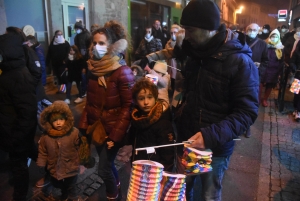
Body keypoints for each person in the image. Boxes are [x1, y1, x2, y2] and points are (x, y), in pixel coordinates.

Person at [141, 0, 259, 200]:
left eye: (191, 30)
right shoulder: (194, 50)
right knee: (180, 192)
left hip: (215, 150)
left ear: (210, 29)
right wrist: (146, 61)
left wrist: (210, 135)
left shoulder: (240, 62)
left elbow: (246, 112)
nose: (186, 36)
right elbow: (173, 56)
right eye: (184, 29)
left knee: (208, 195)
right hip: (186, 140)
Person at [78, 20, 134, 201]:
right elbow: (90, 102)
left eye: (101, 43)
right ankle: (116, 184)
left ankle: (113, 195)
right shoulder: (94, 69)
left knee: (103, 168)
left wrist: (116, 136)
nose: (96, 46)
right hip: (98, 127)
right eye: (94, 42)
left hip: (112, 130)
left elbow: (128, 106)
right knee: (107, 165)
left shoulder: (122, 71)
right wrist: (84, 127)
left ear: (112, 46)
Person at [0, 33, 37, 201]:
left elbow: (27, 112)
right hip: (14, 131)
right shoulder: (10, 72)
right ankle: (55, 169)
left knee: (19, 166)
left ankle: (20, 196)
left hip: (16, 134)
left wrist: (16, 137)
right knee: (32, 152)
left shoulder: (18, 75)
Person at [127, 78, 175, 171]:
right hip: (139, 166)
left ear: (155, 97)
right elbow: (130, 138)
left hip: (155, 171)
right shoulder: (137, 117)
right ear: (136, 101)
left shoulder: (163, 122)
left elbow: (168, 152)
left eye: (150, 97)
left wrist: (164, 174)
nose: (146, 102)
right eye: (141, 98)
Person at [37, 101, 81, 200]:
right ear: (49, 121)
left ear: (66, 119)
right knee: (58, 183)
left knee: (71, 184)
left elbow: (80, 147)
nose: (58, 123)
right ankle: (64, 193)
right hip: (55, 167)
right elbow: (43, 151)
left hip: (71, 167)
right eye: (55, 120)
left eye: (61, 119)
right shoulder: (46, 137)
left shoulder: (73, 133)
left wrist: (83, 160)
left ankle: (73, 196)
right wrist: (41, 163)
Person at [244, 23, 269, 137]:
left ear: (258, 31)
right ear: (246, 30)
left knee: (250, 102)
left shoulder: (262, 44)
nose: (252, 31)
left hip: (254, 77)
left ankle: (247, 125)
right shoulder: (241, 41)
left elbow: (265, 61)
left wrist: (258, 70)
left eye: (254, 30)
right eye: (250, 29)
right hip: (240, 75)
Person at [260, 29, 284, 107]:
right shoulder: (264, 45)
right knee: (260, 84)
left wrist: (280, 72)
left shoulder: (280, 48)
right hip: (263, 68)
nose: (274, 38)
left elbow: (281, 61)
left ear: (279, 38)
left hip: (274, 70)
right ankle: (258, 99)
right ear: (270, 37)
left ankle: (264, 99)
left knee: (270, 85)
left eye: (276, 37)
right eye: (272, 36)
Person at [74, 21, 91, 97]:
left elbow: (88, 48)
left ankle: (84, 91)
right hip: (79, 58)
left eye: (77, 28)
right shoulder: (77, 36)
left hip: (85, 59)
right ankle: (81, 91)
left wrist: (87, 58)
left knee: (84, 76)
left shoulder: (87, 36)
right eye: (76, 28)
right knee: (80, 76)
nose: (76, 30)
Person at [165, 24, 182, 93]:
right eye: (171, 33)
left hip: (178, 68)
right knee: (172, 83)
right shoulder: (168, 43)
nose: (173, 34)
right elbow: (166, 55)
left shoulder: (182, 43)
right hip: (170, 67)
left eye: (175, 32)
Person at [289, 39, 300, 121]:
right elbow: (292, 61)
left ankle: (298, 111)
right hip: (298, 74)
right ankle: (296, 109)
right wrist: (294, 67)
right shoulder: (297, 51)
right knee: (296, 93)